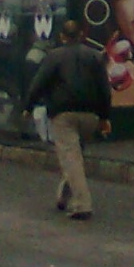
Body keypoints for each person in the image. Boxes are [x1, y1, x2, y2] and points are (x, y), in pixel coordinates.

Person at [24, 19, 112, 220]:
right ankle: (64, 196)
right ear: (81, 35)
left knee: (70, 157)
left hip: (64, 115)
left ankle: (82, 204)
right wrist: (105, 117)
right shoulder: (95, 56)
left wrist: (28, 107)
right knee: (75, 155)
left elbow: (39, 83)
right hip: (90, 115)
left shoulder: (54, 57)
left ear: (62, 37)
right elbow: (105, 90)